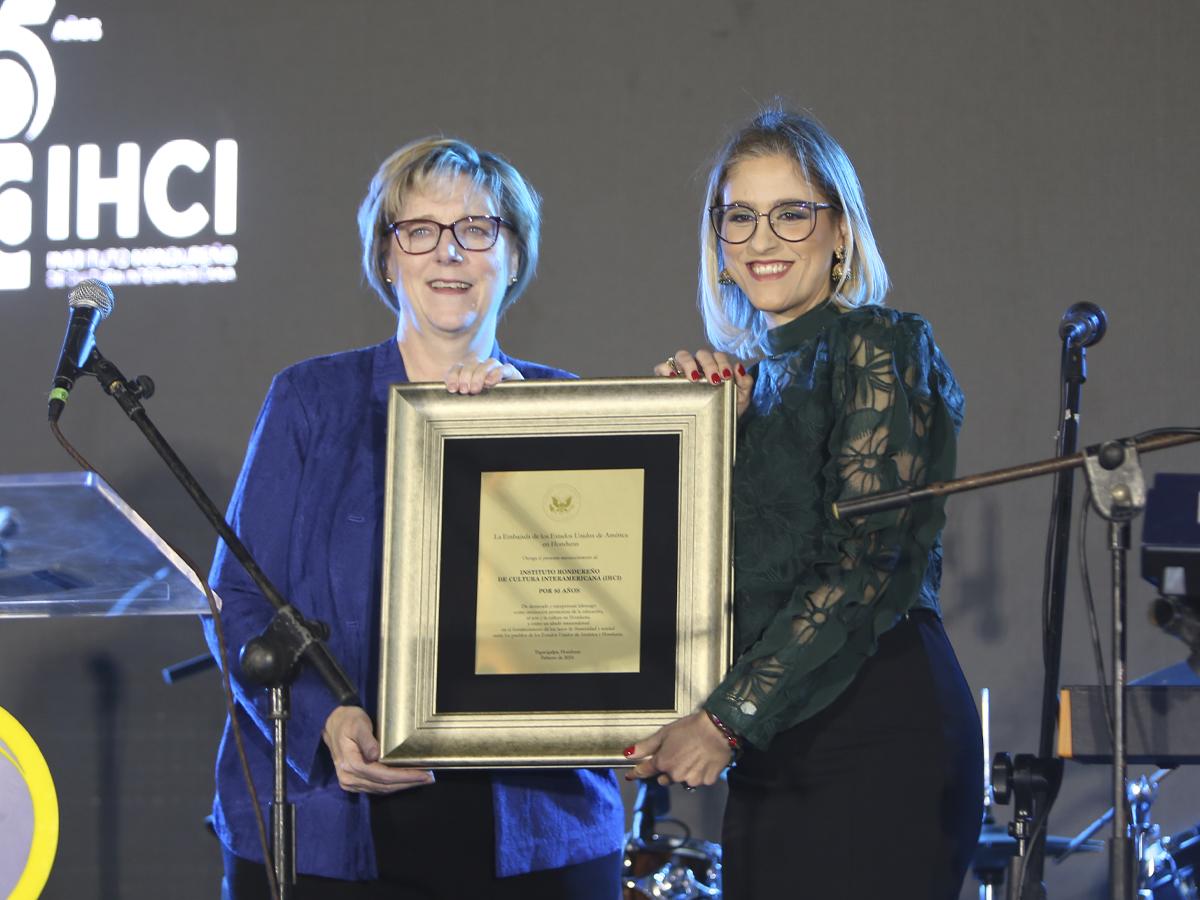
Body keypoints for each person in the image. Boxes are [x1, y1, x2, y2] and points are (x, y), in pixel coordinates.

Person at [204, 137, 625, 899]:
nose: (448, 252)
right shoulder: (310, 400)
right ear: (387, 256)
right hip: (331, 819)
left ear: (514, 256)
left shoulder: (565, 405)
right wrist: (324, 723)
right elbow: (237, 599)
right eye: (420, 230)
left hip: (536, 827)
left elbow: (607, 610)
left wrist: (519, 438)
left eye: (477, 229)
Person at [628, 107, 984, 899]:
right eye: (740, 217)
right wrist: (698, 438)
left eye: (792, 213)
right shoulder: (741, 388)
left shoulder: (877, 344)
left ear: (841, 232)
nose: (763, 239)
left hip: (877, 731)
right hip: (774, 746)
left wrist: (723, 721)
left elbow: (863, 565)